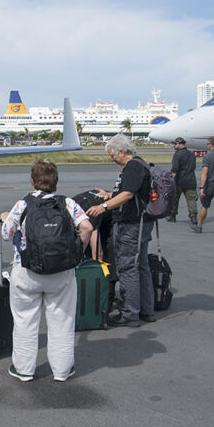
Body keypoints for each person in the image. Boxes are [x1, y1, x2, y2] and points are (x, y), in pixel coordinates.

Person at [0, 160, 93, 383]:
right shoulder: (67, 203)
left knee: (24, 321)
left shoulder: (23, 204)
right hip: (61, 272)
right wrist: (76, 252)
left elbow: (6, 233)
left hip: (26, 271)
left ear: (33, 181)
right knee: (62, 322)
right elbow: (87, 227)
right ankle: (62, 370)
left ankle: (24, 369)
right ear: (55, 181)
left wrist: (6, 218)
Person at [85, 133, 155, 327]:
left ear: (122, 151)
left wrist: (104, 206)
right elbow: (128, 193)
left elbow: (128, 194)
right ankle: (146, 310)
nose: (111, 158)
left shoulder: (132, 167)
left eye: (112, 155)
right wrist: (109, 195)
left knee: (127, 267)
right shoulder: (141, 165)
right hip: (141, 223)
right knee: (141, 265)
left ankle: (130, 313)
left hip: (131, 224)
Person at [169, 137, 198, 225]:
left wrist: (171, 181)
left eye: (175, 144)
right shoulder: (191, 154)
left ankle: (172, 215)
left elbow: (174, 169)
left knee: (174, 199)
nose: (174, 146)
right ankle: (193, 216)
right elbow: (193, 167)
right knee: (191, 200)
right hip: (191, 180)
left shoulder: (177, 154)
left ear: (180, 144)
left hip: (179, 181)